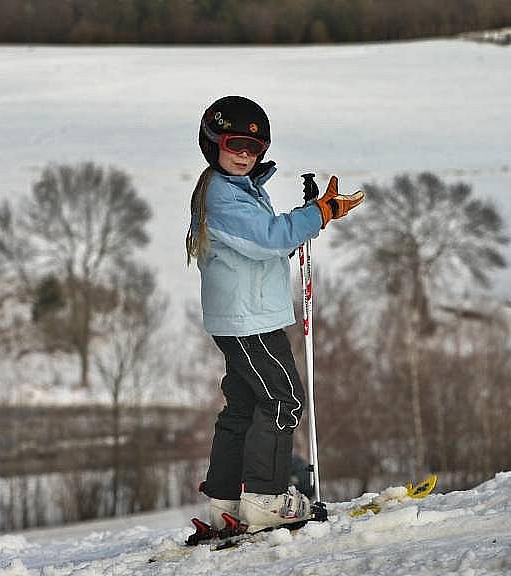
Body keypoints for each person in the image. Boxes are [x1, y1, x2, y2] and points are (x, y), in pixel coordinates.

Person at [186, 95, 364, 533]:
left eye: (254, 148)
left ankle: (226, 500)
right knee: (283, 400)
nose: (245, 156)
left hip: (244, 317)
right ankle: (266, 499)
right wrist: (314, 216)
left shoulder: (235, 190)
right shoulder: (224, 196)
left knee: (245, 405)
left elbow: (264, 248)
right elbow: (268, 238)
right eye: (235, 145)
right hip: (251, 322)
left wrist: (311, 220)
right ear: (214, 144)